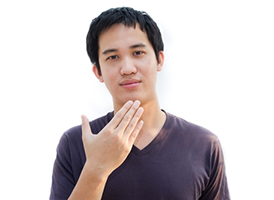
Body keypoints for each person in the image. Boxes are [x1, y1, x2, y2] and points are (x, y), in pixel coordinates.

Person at [50, 7, 230, 200]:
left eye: (138, 52)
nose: (127, 68)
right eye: (112, 57)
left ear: (159, 59)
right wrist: (95, 169)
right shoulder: (76, 143)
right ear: (98, 72)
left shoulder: (203, 145)